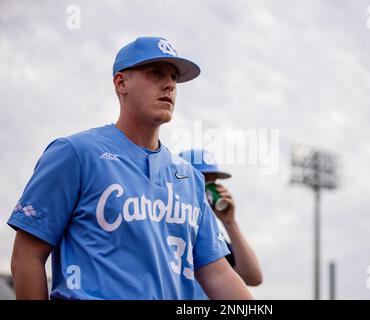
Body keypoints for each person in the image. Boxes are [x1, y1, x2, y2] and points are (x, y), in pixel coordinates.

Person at [7, 36, 253, 300]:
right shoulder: (75, 153)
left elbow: (218, 274)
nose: (169, 84)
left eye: (173, 77)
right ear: (121, 82)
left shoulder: (190, 178)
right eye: (155, 73)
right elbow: (27, 256)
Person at [179, 149, 262, 299]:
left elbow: (253, 277)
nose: (209, 189)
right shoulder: (165, 220)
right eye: (202, 180)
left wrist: (230, 222)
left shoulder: (210, 233)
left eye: (213, 182)